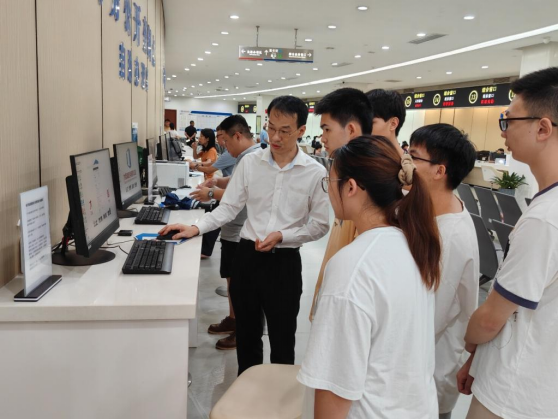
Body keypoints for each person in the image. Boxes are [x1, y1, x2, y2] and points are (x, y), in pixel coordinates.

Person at [160, 96, 330, 376]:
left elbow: (320, 225)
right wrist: (197, 228)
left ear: (301, 130)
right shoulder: (251, 164)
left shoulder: (314, 172)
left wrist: (283, 235)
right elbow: (229, 207)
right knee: (247, 336)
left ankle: (277, 396)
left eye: (285, 131)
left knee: (282, 339)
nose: (275, 137)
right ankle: (247, 389)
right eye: (271, 127)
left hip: (284, 264)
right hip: (247, 259)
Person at [298, 136, 441, 418]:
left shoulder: (352, 267)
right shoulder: (413, 244)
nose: (329, 191)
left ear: (351, 187)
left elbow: (334, 387)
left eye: (330, 182)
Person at [457, 67, 558, 419]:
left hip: (513, 392)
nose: (503, 131)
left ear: (542, 128)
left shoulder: (545, 219)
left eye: (509, 120)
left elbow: (490, 318)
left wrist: (469, 343)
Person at [409, 124, 480, 419]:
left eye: (414, 156)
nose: (405, 162)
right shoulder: (433, 206)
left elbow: (431, 317)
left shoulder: (451, 238)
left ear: (439, 171)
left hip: (429, 373)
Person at [192, 116, 261, 351]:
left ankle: (241, 329)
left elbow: (240, 196)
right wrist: (216, 183)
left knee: (240, 286)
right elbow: (234, 183)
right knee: (232, 279)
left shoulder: (252, 158)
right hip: (232, 229)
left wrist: (211, 193)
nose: (223, 146)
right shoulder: (245, 157)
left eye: (225, 140)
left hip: (240, 230)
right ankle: (233, 319)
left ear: (237, 136)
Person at [309, 88, 373, 321]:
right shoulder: (344, 166)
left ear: (351, 129)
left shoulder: (367, 178)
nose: (322, 138)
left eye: (327, 129)